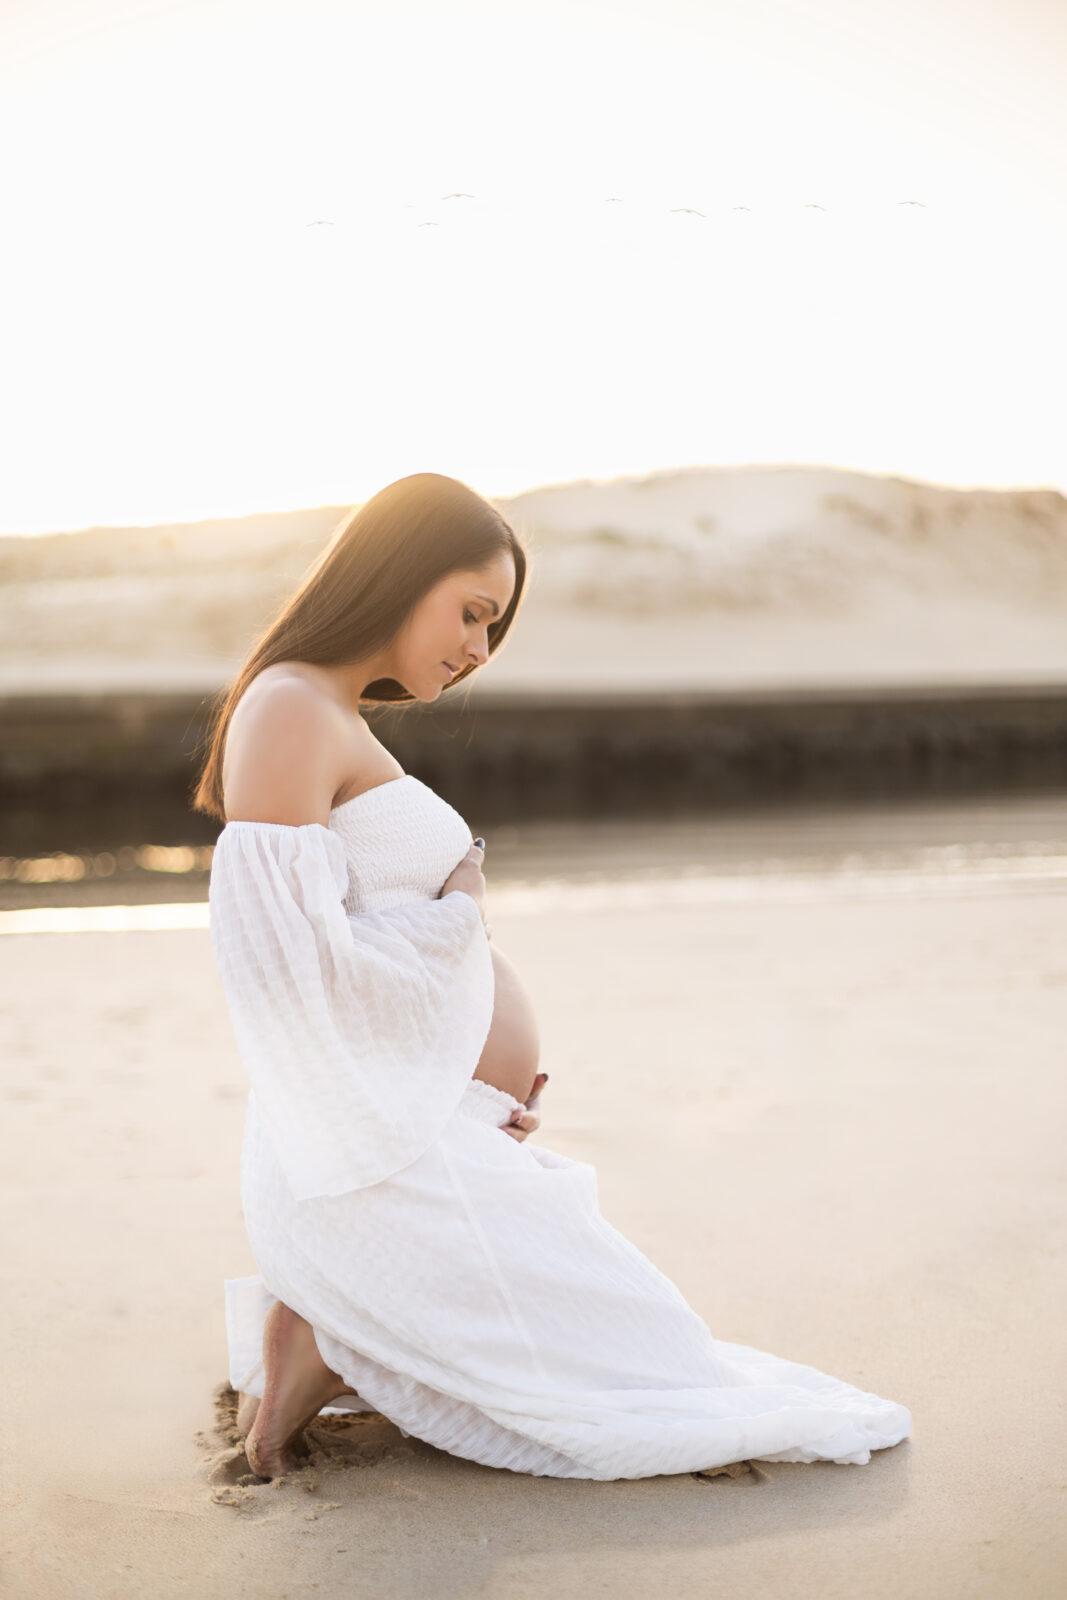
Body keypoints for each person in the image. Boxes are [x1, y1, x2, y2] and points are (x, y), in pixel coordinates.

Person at [194, 471, 912, 1482]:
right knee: (640, 1358)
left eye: (495, 628)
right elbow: (280, 968)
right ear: (397, 575)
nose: (478, 650)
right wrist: (458, 931)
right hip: (380, 1139)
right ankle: (308, 1347)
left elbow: (348, 940)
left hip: (424, 1116)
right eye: (471, 612)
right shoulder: (290, 710)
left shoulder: (331, 714)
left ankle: (314, 1338)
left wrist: (461, 1066)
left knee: (646, 1342)